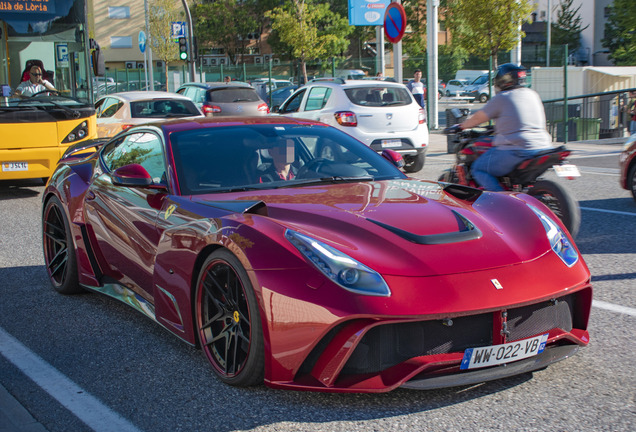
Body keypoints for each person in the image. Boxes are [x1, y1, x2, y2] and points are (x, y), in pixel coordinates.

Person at [459, 63, 553, 191]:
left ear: (502, 80)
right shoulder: (532, 94)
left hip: (518, 149)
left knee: (479, 168)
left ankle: (502, 203)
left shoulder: (502, 98)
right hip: (544, 147)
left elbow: (477, 119)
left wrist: (461, 126)